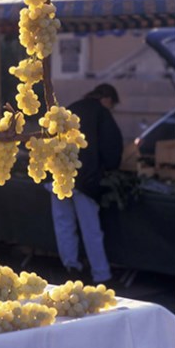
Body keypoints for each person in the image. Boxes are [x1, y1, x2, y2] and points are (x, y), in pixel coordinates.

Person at [49, 83, 123, 285]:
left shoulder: (71, 108)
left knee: (64, 224)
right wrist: (110, 167)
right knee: (91, 229)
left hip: (57, 174)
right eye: (112, 105)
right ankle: (102, 275)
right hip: (85, 178)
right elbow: (112, 146)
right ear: (107, 98)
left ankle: (71, 268)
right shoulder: (101, 113)